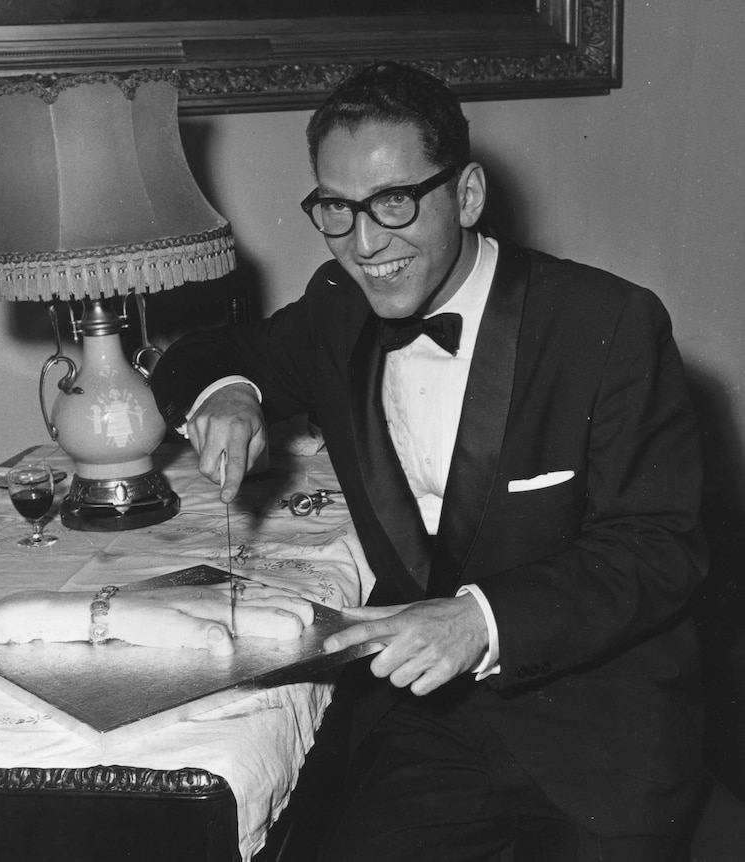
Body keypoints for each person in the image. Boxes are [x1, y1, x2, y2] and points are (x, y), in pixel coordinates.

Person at [150, 61, 707, 862]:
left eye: (394, 202)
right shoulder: (337, 307)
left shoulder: (608, 323)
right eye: (336, 209)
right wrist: (229, 393)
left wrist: (479, 620)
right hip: (432, 728)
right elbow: (210, 351)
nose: (364, 243)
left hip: (598, 730)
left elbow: (662, 545)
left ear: (468, 195)